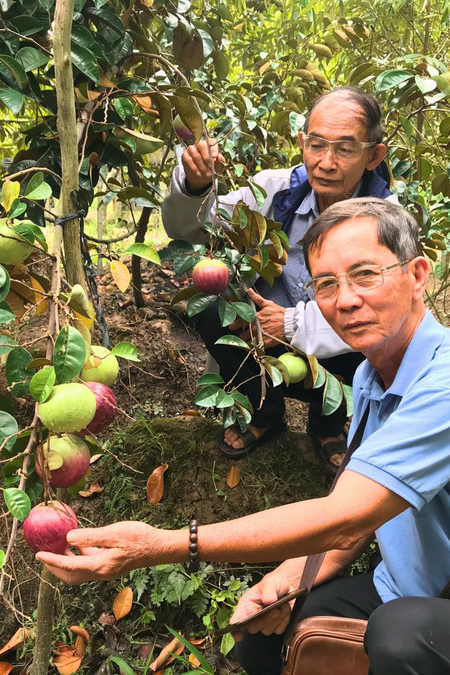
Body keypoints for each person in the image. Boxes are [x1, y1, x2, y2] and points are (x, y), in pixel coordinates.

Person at [38, 198, 450, 675]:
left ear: (418, 274)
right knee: (261, 631)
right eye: (326, 283)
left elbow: (347, 516)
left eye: (366, 275)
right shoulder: (376, 378)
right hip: (413, 591)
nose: (345, 299)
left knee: (402, 637)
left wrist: (163, 546)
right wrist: (286, 579)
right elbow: (358, 523)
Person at [161, 86, 399, 472]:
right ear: (302, 142)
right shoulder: (277, 191)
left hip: (338, 354)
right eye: (317, 145)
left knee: (370, 330)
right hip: (262, 346)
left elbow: (385, 310)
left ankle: (328, 425)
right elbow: (192, 227)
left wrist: (290, 324)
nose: (326, 162)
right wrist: (196, 186)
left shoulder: (386, 220)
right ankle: (263, 411)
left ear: (374, 156)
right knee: (211, 303)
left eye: (345, 149)